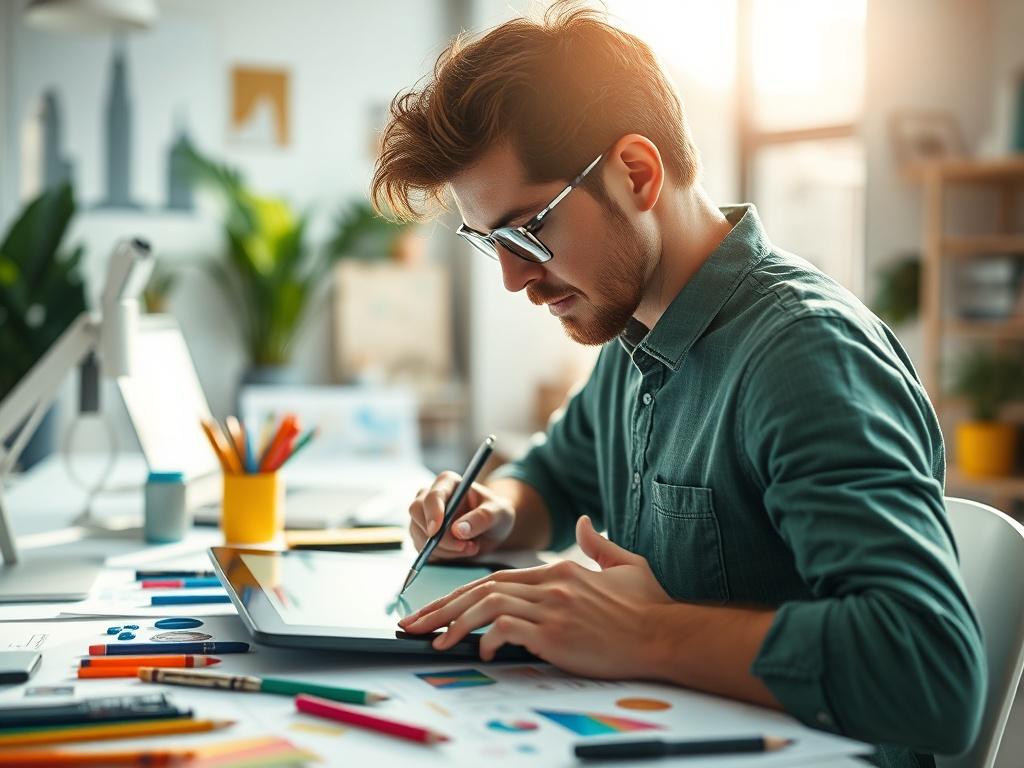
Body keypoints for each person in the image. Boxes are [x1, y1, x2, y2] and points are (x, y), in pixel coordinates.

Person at [371, 4, 985, 766]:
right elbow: (556, 478)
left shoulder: (805, 355)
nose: (512, 279)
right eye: (489, 240)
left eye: (527, 231)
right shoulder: (631, 332)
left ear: (636, 173)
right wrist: (495, 513)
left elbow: (930, 670)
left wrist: (645, 633)